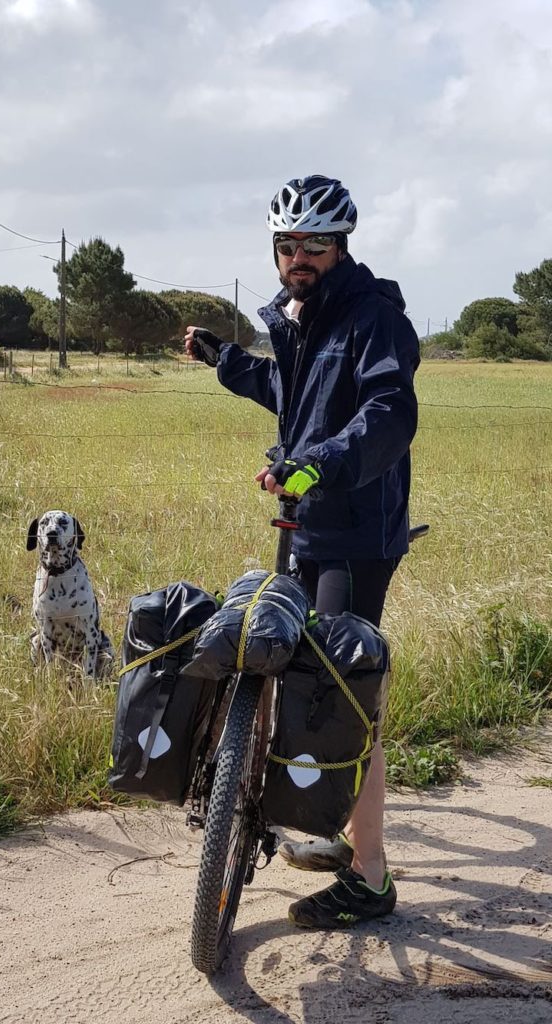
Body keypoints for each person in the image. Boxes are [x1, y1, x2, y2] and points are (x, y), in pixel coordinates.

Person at [183, 174, 420, 929]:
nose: (300, 255)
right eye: (288, 243)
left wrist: (323, 461)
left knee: (344, 693)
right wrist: (222, 358)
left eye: (315, 242)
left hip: (353, 525)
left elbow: (388, 412)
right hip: (301, 516)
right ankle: (315, 815)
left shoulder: (371, 318)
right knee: (287, 668)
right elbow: (283, 389)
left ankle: (371, 876)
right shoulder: (299, 318)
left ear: (341, 244)